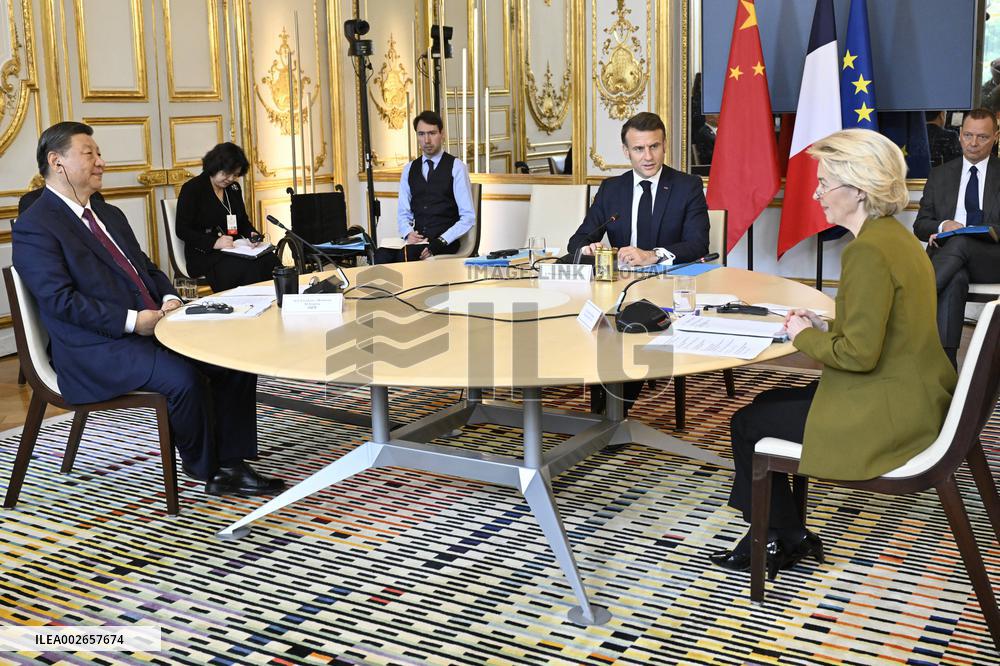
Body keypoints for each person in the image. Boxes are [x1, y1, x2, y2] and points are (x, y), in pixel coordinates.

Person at [710, 129, 956, 576]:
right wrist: (829, 325)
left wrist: (804, 334)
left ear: (858, 190)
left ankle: (773, 538)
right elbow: (886, 325)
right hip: (913, 395)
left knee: (746, 423)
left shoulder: (866, 252)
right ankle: (787, 533)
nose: (817, 193)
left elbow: (859, 356)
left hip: (885, 412)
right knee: (766, 405)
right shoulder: (895, 238)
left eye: (825, 184)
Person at [12, 121, 285, 497]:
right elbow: (61, 302)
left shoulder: (107, 214)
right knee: (182, 379)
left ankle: (232, 462)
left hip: (152, 326)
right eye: (89, 154)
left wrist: (169, 297)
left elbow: (147, 268)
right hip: (93, 347)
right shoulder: (35, 226)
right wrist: (131, 321)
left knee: (231, 360)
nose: (101, 162)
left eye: (99, 153)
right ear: (56, 162)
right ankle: (207, 470)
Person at [567, 111, 709, 416]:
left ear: (665, 145)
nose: (648, 157)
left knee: (630, 330)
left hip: (664, 289)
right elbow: (576, 241)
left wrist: (653, 254)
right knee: (590, 325)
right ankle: (604, 410)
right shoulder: (611, 189)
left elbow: (698, 245)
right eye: (639, 149)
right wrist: (590, 247)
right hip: (614, 288)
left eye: (654, 147)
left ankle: (612, 416)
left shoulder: (688, 186)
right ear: (625, 151)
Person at [913, 108, 1000, 366]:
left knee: (962, 241)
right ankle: (946, 365)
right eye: (968, 135)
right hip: (949, 260)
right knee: (955, 277)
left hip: (991, 258)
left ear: (995, 136)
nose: (973, 143)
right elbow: (920, 225)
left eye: (982, 137)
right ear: (959, 135)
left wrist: (979, 232)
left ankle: (912, 301)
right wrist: (943, 225)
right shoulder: (941, 174)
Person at [374, 110, 476, 263]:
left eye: (432, 133)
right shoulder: (409, 169)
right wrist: (408, 233)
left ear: (442, 134)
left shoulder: (456, 167)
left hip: (446, 241)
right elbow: (403, 212)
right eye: (421, 134)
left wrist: (440, 242)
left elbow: (468, 217)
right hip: (419, 239)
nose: (427, 140)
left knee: (405, 256)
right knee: (381, 255)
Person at [175, 142, 278, 291]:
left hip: (235, 249)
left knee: (270, 260)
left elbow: (242, 221)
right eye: (226, 173)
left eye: (235, 175)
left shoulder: (233, 188)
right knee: (248, 267)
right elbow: (182, 230)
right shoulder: (193, 189)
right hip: (206, 254)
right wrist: (214, 243)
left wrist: (252, 235)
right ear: (214, 166)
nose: (230, 179)